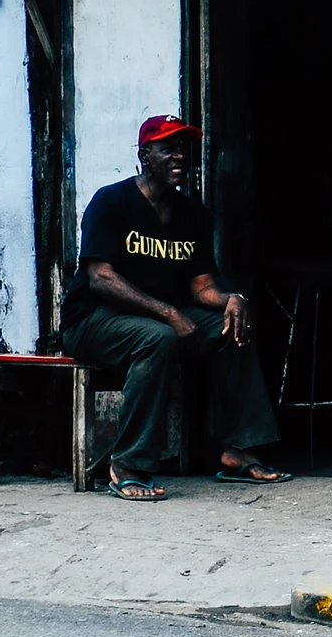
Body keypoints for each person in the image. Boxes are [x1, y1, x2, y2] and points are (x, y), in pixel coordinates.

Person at [64, 115, 285, 500]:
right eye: (168, 148)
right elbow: (100, 277)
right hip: (94, 321)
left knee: (230, 326)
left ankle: (237, 450)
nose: (179, 156)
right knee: (158, 337)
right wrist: (167, 312)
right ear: (144, 156)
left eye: (183, 148)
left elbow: (202, 288)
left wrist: (234, 299)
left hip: (156, 319)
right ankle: (127, 465)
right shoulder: (111, 201)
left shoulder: (192, 215)